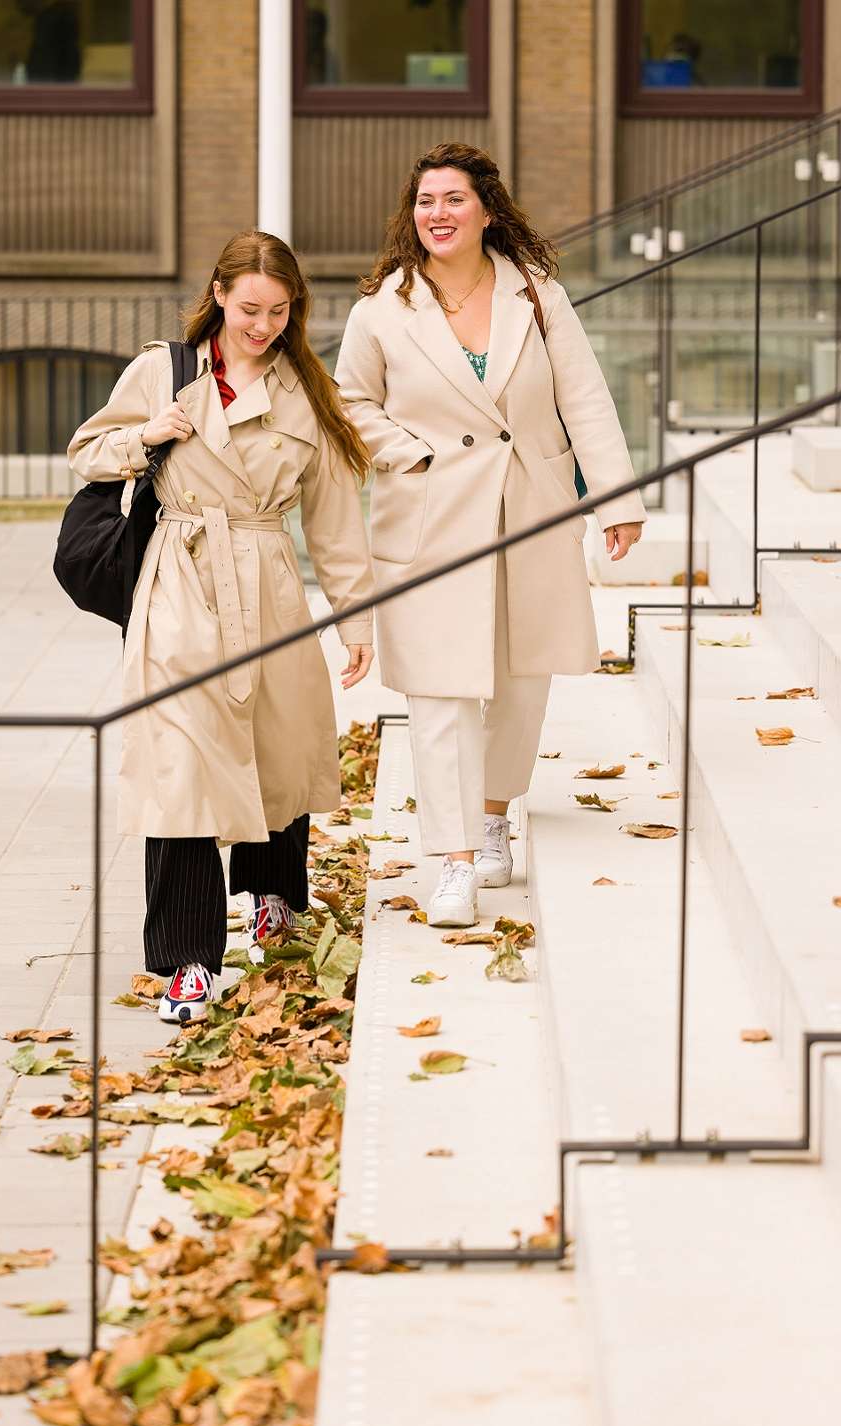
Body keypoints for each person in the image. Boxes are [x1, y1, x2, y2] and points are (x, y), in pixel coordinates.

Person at [334, 142, 645, 929]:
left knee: (520, 679)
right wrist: (415, 453)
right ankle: (453, 860)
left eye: (453, 199)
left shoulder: (537, 295)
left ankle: (495, 814)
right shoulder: (383, 309)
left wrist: (616, 501)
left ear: (487, 209)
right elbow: (350, 404)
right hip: (431, 519)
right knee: (439, 691)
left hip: (530, 512)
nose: (437, 213)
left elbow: (586, 396)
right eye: (425, 200)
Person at [68, 232, 375, 1022]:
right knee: (182, 767)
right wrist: (149, 436)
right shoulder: (162, 370)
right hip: (181, 575)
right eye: (249, 308)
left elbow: (335, 521)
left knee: (277, 742)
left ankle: (275, 892)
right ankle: (189, 962)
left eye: (279, 310)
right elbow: (85, 455)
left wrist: (355, 620)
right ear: (219, 293)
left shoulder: (310, 388)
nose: (263, 325)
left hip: (269, 577)